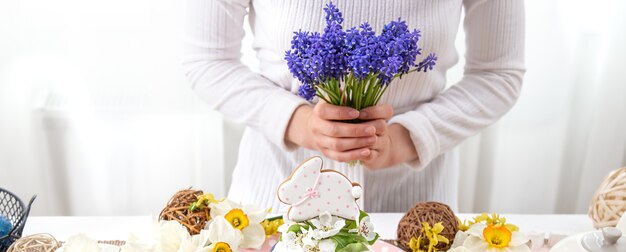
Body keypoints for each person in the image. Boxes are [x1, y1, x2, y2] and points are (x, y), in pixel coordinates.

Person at [182, 0, 524, 213]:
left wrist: (405, 140)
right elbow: (209, 61)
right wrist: (302, 125)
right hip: (274, 203)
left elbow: (498, 75)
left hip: (411, 211)